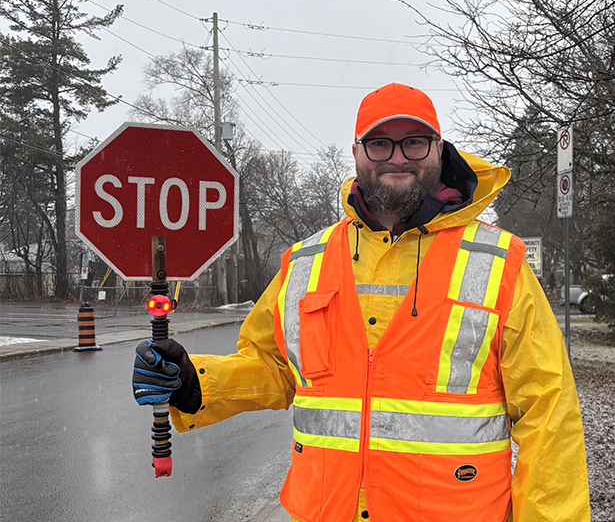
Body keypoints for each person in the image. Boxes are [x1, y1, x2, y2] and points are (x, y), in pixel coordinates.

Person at [132, 82, 591, 522]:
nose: (397, 157)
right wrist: (197, 384)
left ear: (438, 149)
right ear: (356, 153)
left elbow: (548, 416)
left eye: (414, 142)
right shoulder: (306, 261)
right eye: (379, 144)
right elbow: (275, 368)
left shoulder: (499, 264)